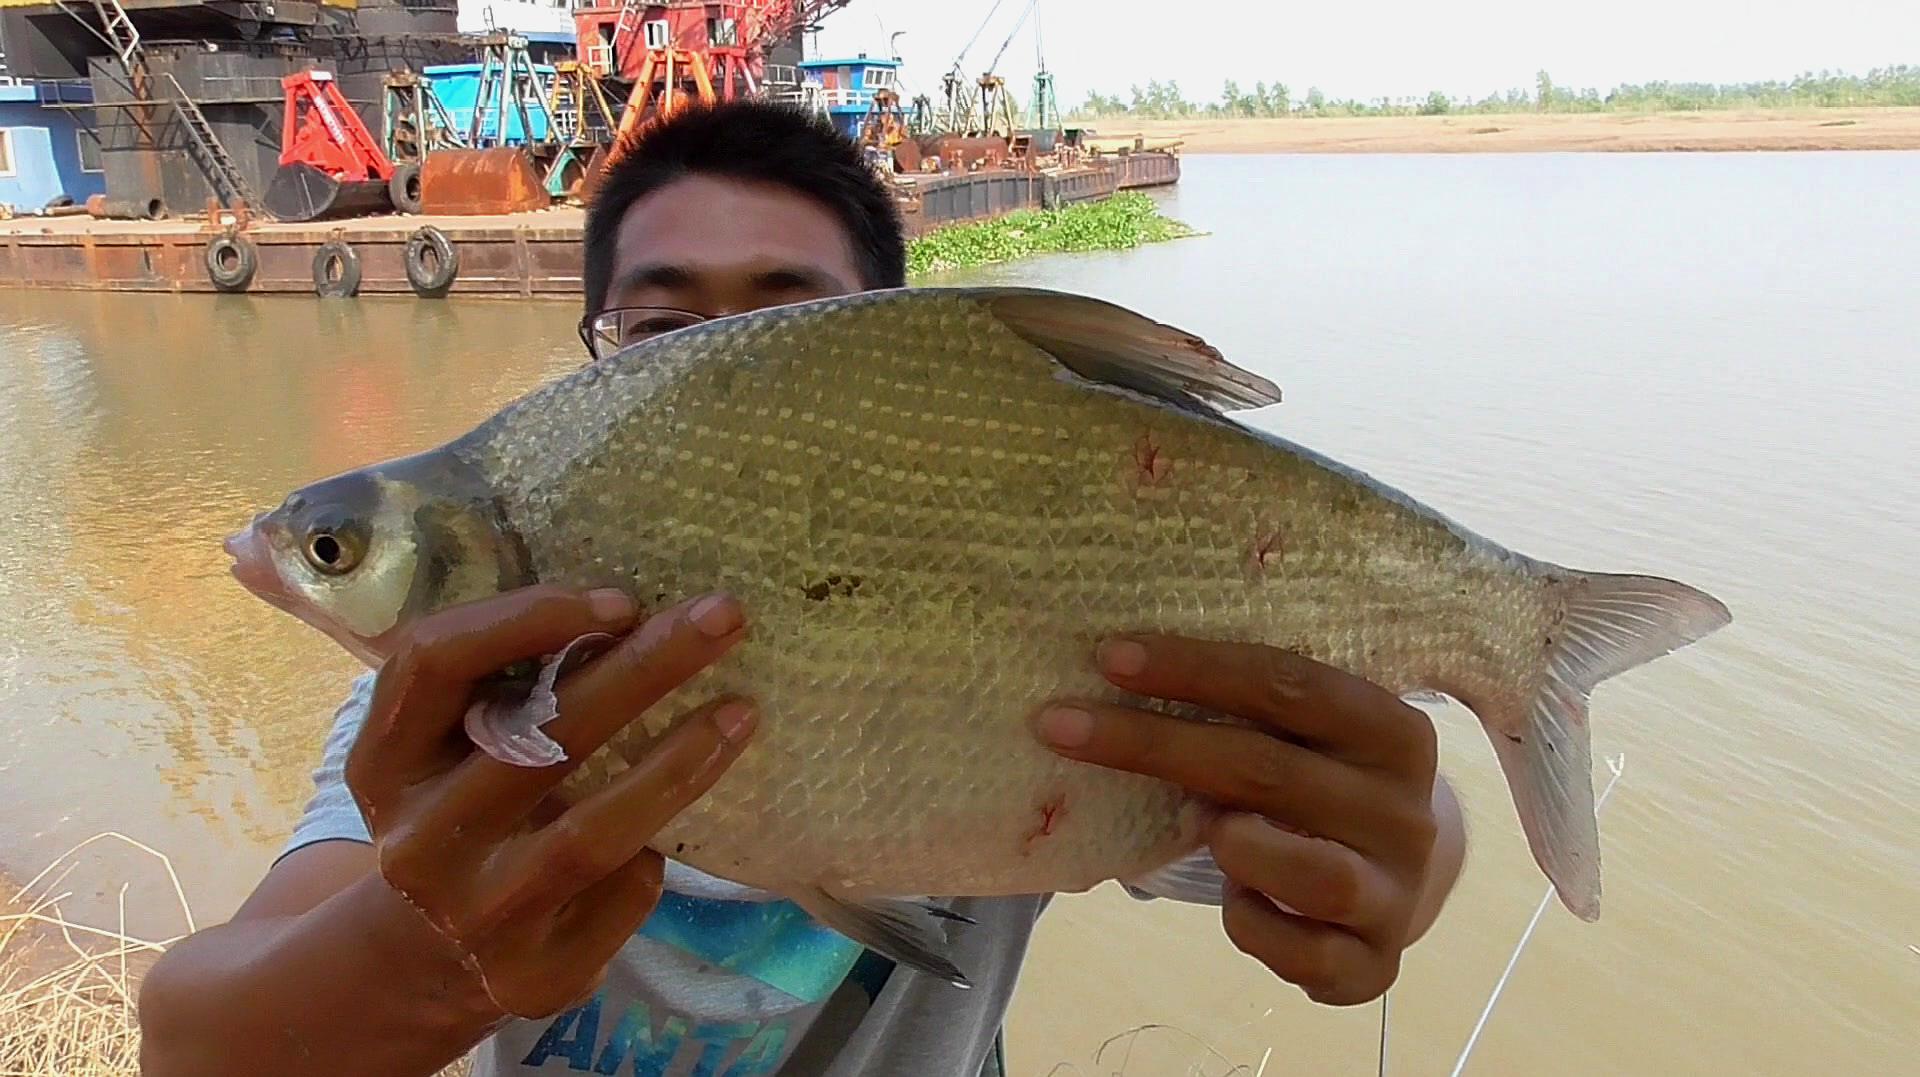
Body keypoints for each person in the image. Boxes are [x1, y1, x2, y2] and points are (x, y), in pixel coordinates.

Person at [137, 101, 1466, 1077]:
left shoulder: (1004, 589)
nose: (719, 384)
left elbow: (1382, 812)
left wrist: (1394, 858)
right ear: (593, 361)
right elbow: (193, 1042)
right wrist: (426, 940)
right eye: (664, 335)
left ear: (888, 359)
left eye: (785, 323)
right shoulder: (463, 713)